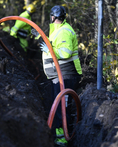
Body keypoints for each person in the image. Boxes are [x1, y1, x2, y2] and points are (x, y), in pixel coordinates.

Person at [39, 5, 82, 147]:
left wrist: (49, 50)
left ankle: (63, 138)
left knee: (62, 107)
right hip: (58, 75)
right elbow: (54, 45)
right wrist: (40, 37)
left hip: (65, 75)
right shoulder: (57, 30)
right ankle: (58, 135)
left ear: (53, 17)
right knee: (58, 105)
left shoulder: (64, 31)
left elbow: (64, 53)